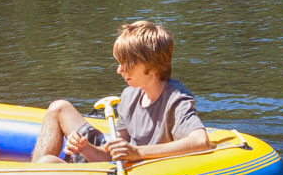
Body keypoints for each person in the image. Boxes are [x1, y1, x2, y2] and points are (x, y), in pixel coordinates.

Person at [30, 21, 210, 164]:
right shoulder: (129, 96)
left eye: (127, 63)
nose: (119, 70)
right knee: (59, 108)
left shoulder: (176, 99)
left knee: (47, 162)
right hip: (115, 166)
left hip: (143, 174)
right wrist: (85, 148)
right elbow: (110, 157)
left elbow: (201, 142)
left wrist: (137, 152)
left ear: (153, 66)